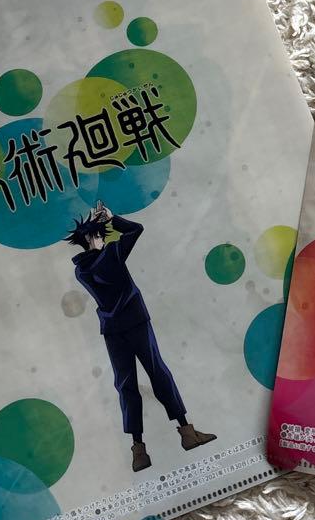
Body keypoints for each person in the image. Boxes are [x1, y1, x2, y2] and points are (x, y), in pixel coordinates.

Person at [67, 201, 215, 471]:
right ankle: (187, 432)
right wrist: (112, 219)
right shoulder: (112, 254)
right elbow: (136, 229)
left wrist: (104, 229)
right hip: (136, 321)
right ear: (90, 237)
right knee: (158, 372)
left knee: (126, 385)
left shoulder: (81, 270)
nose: (103, 239)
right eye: (99, 235)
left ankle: (139, 451)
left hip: (112, 330)